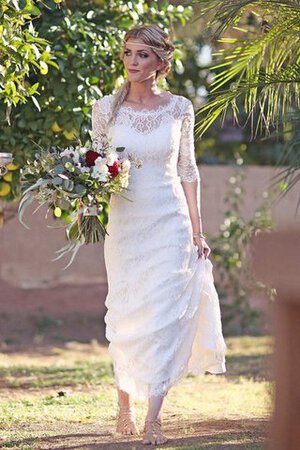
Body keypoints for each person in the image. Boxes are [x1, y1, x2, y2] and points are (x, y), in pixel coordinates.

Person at [92, 24, 227, 446]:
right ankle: (124, 403)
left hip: (170, 219)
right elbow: (93, 164)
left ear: (161, 62)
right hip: (126, 223)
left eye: (143, 55)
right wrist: (82, 199)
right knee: (128, 312)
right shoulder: (104, 109)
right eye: (129, 53)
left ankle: (155, 417)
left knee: (165, 314)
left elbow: (187, 169)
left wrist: (197, 229)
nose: (133, 62)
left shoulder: (180, 107)